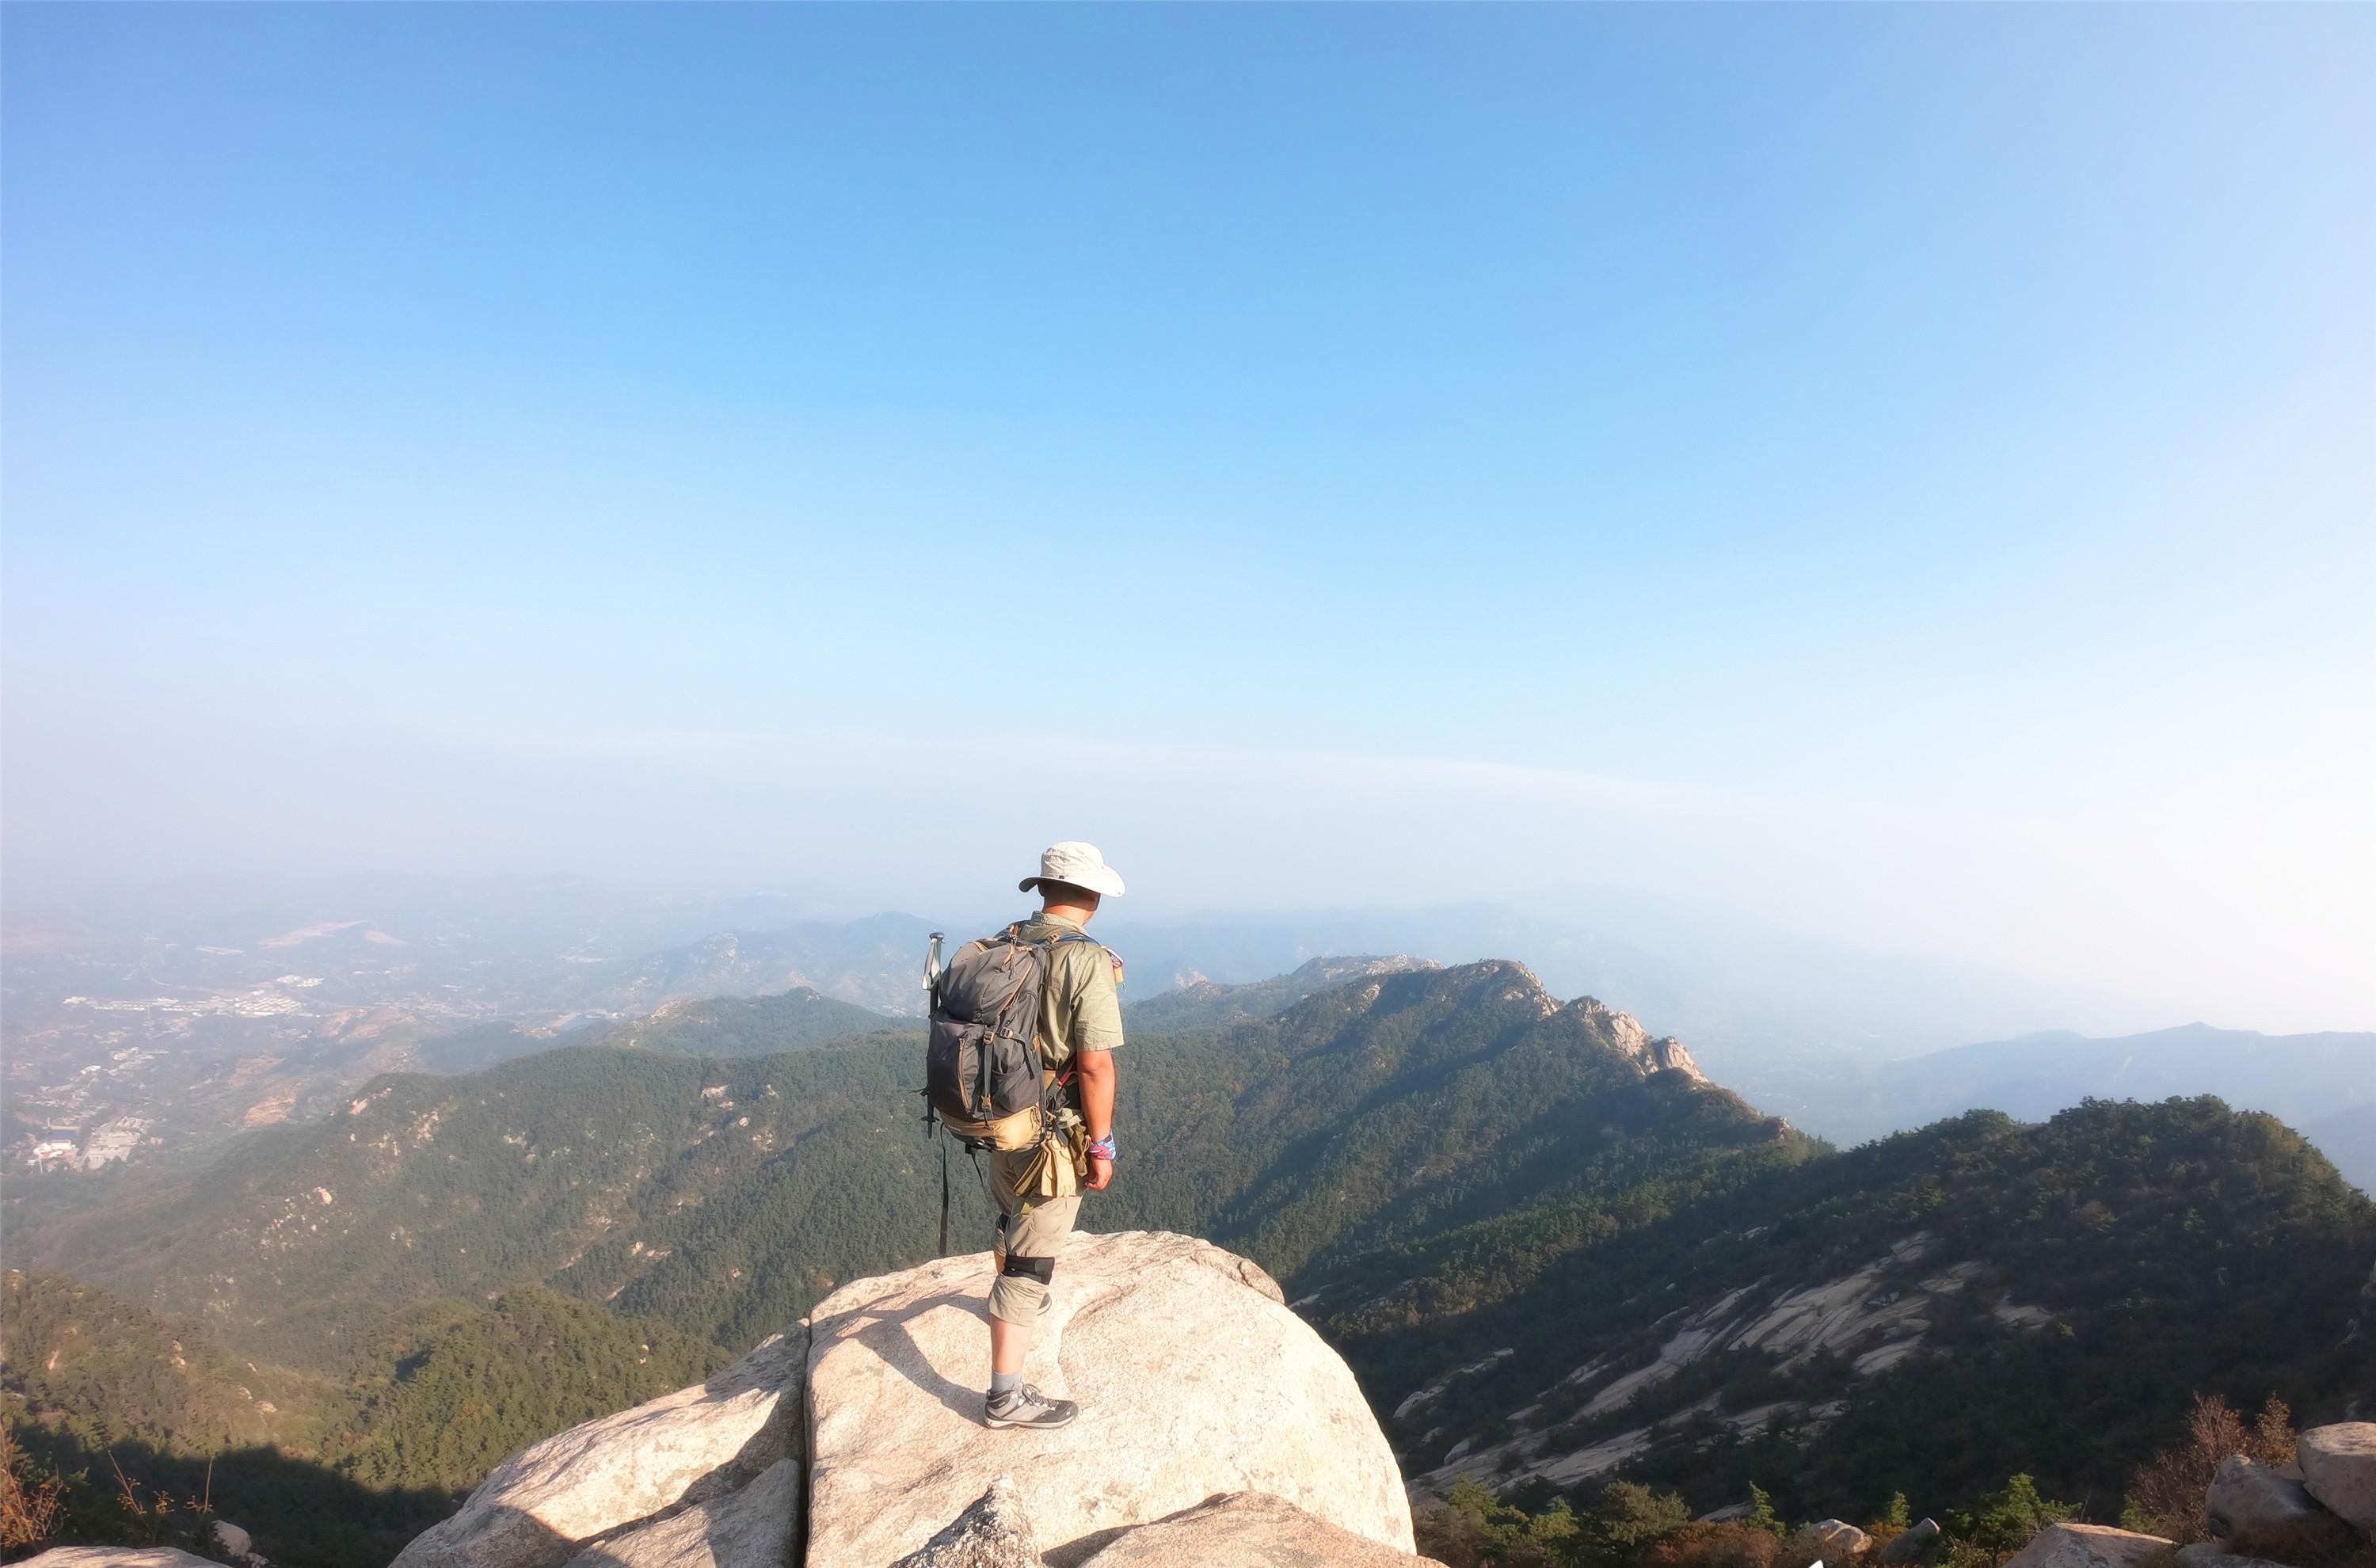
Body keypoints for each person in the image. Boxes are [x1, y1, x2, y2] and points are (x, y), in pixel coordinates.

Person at [981, 840, 1125, 1430]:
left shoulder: (1003, 941)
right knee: (1031, 1259)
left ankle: (1017, 1303)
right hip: (1050, 1130)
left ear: (1041, 889)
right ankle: (1004, 1398)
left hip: (997, 1113)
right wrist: (1101, 1144)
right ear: (1093, 896)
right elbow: (1094, 1064)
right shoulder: (1085, 960)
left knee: (1011, 1214)